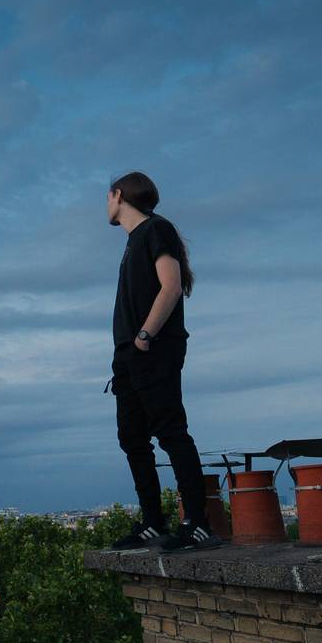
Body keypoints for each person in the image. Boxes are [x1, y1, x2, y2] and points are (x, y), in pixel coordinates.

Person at [104, 171, 220, 554]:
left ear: (119, 195)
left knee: (171, 432)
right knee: (133, 439)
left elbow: (170, 287)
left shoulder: (157, 230)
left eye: (108, 197)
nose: (105, 205)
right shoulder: (135, 241)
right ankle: (153, 522)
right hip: (130, 356)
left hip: (151, 350)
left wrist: (144, 337)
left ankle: (198, 525)